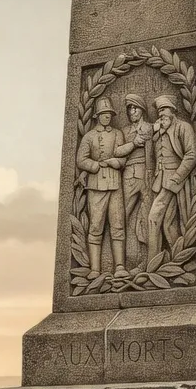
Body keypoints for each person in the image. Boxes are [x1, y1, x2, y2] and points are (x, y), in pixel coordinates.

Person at [76, 97, 134, 278]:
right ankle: (95, 269)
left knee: (117, 226)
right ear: (97, 116)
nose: (106, 117)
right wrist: (95, 166)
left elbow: (123, 157)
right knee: (95, 226)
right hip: (96, 186)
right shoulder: (89, 136)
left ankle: (119, 267)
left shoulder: (118, 134)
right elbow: (81, 160)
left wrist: (115, 162)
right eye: (103, 114)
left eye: (109, 114)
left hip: (115, 184)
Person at [146, 95, 196, 262]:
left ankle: (152, 262)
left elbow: (191, 155)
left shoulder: (183, 127)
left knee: (153, 217)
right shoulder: (158, 132)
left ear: (173, 111)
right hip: (160, 181)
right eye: (159, 112)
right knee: (168, 224)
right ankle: (177, 260)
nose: (161, 115)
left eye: (164, 110)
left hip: (176, 181)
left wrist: (177, 178)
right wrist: (152, 133)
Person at [121, 93, 154, 267]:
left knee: (147, 216)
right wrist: (134, 142)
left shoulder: (150, 127)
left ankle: (146, 259)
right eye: (129, 109)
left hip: (147, 175)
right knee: (122, 216)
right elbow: (117, 152)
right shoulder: (124, 131)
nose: (132, 112)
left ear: (141, 110)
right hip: (129, 175)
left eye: (135, 108)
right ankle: (121, 261)